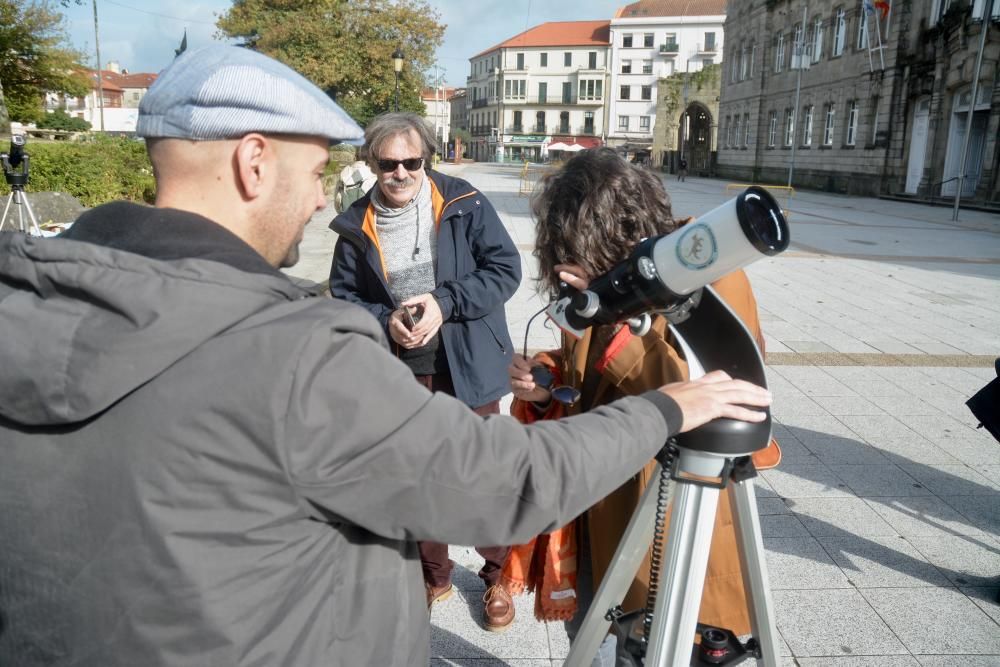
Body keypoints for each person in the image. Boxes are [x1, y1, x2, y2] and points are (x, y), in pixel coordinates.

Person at [0, 46, 772, 667]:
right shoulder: (292, 352)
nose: (318, 200)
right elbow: (504, 481)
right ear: (253, 162)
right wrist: (666, 410)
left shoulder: (22, 298)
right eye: (316, 174)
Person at [505, 147, 780, 666]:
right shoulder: (606, 276)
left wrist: (621, 319)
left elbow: (699, 391)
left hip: (672, 498)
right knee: (600, 631)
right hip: (601, 489)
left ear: (618, 230)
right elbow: (581, 362)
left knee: (667, 642)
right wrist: (546, 380)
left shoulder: (711, 271)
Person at [328, 112, 521, 631]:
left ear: (425, 159)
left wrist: (444, 302)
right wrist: (382, 321)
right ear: (372, 164)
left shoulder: (464, 203)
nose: (400, 173)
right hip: (401, 372)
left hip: (470, 364)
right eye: (388, 163)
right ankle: (435, 575)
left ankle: (498, 573)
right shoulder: (353, 224)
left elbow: (505, 270)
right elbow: (343, 298)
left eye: (411, 162)